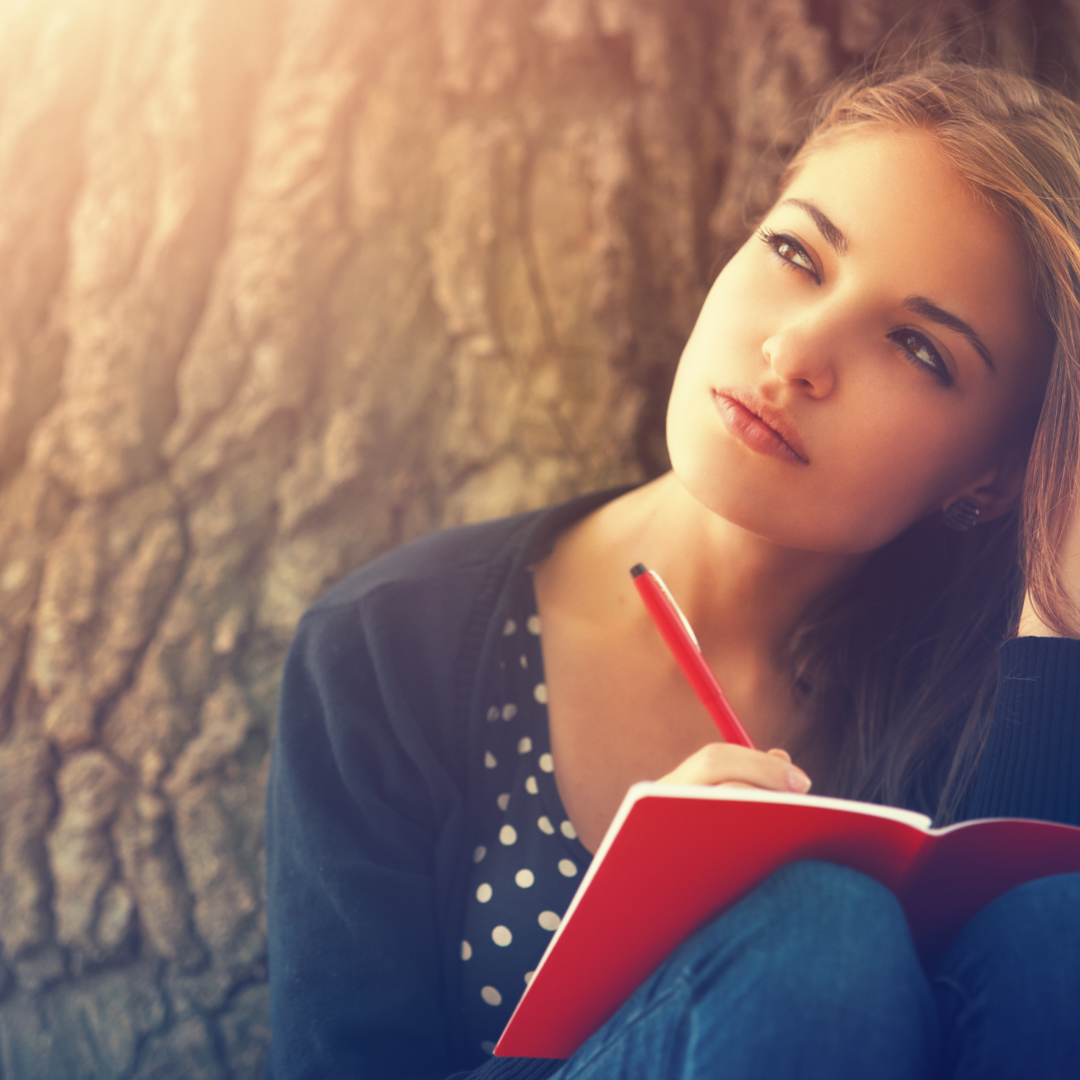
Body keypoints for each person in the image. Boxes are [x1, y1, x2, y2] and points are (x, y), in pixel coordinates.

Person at [265, 62, 1080, 1079]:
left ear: (1000, 474)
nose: (796, 352)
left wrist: (1056, 610)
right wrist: (649, 953)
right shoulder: (388, 647)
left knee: (1058, 925)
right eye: (796, 252)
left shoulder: (994, 696)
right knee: (820, 933)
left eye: (918, 348)